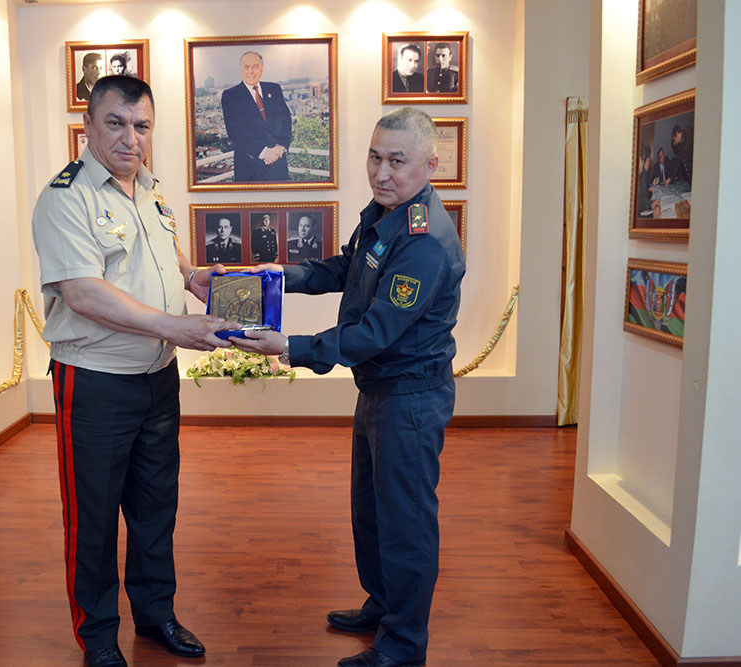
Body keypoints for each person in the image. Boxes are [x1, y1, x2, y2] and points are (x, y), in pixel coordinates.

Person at [234, 107, 465, 667]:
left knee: (405, 524)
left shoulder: (424, 241)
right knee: (371, 511)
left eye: (397, 161)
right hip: (381, 390)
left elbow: (374, 333)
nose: (382, 172)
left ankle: (403, 646)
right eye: (374, 157)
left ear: (430, 165)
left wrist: (289, 347)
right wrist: (277, 276)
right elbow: (344, 268)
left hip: (410, 397)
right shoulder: (387, 214)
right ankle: (382, 606)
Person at [31, 75, 232, 667]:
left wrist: (193, 278)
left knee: (154, 508)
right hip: (95, 381)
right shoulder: (66, 198)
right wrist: (176, 326)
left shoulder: (150, 188)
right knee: (92, 518)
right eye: (115, 123)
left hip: (157, 378)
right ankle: (97, 638)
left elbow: (162, 258)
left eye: (141, 126)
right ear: (88, 125)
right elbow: (83, 293)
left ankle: (155, 614)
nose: (130, 138)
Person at [220, 51, 293, 182]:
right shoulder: (230, 96)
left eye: (255, 66)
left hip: (278, 165)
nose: (251, 71)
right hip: (249, 168)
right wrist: (264, 152)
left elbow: (286, 120)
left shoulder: (274, 89)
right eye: (246, 67)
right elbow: (235, 132)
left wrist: (281, 146)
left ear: (262, 68)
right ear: (241, 69)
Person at [637, 147, 655, 218]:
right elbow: (641, 199)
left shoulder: (644, 173)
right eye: (649, 160)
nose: (642, 163)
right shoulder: (642, 174)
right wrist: (650, 193)